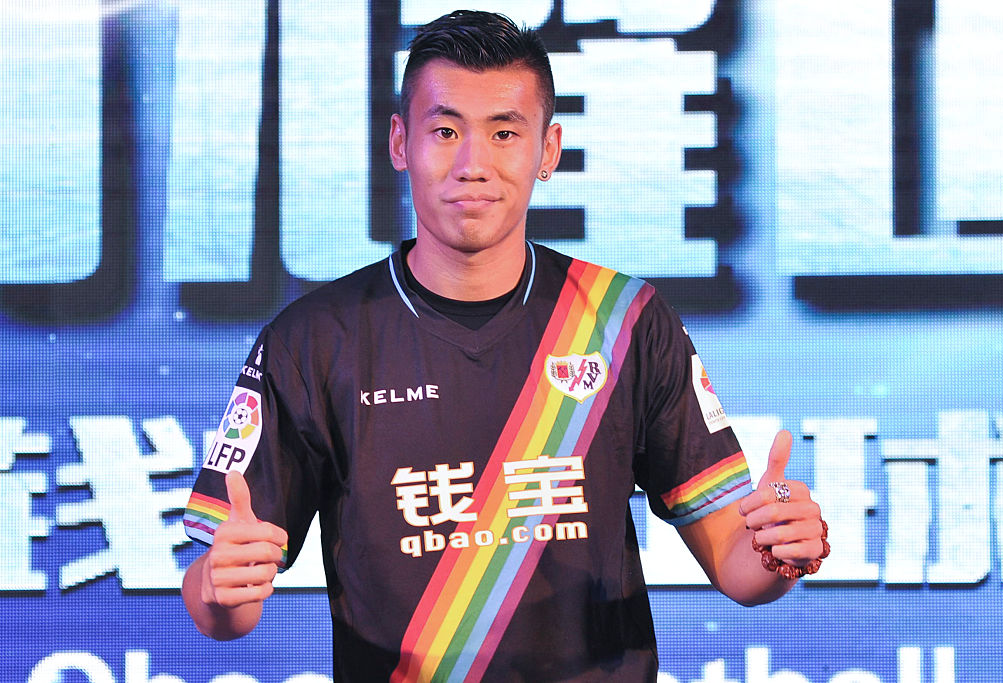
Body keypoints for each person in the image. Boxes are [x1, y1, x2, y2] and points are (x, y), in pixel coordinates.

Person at [181, 10, 828, 682]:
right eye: (445, 131)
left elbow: (737, 568)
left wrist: (780, 550)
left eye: (504, 132)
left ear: (548, 149)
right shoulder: (314, 339)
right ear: (400, 142)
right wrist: (219, 589)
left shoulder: (625, 319)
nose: (473, 164)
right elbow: (217, 605)